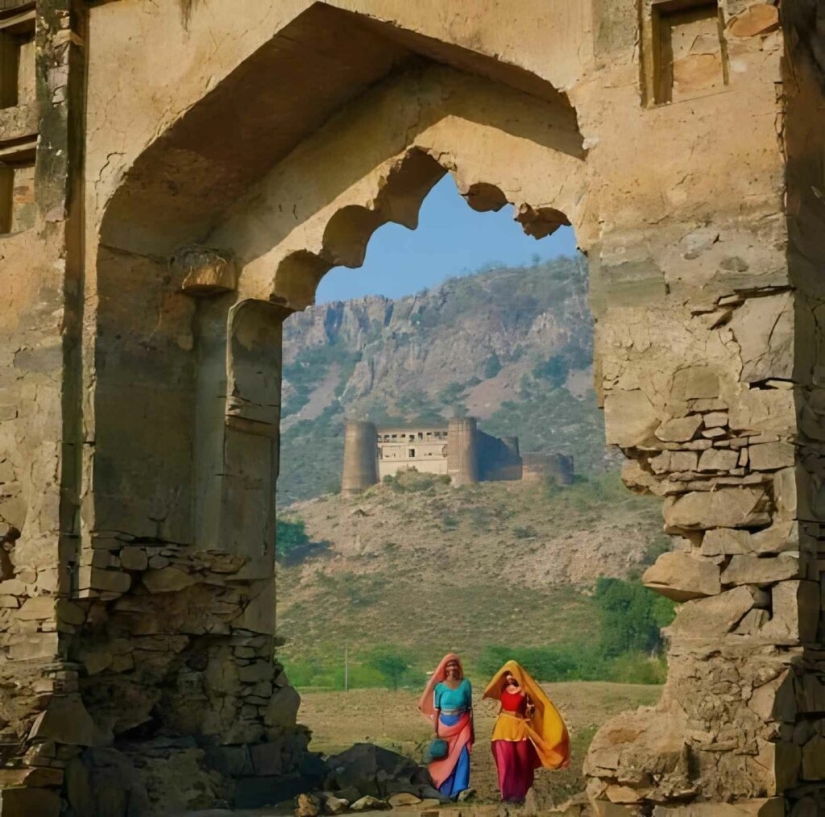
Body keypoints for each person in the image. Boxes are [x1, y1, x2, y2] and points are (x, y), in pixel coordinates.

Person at [483, 660, 569, 804]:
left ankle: (523, 794)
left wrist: (533, 713)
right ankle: (507, 795)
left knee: (523, 763)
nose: (509, 677)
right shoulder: (502, 688)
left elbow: (541, 704)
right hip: (503, 729)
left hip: (521, 729)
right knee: (506, 763)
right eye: (507, 674)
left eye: (512, 673)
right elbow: (492, 685)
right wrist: (506, 670)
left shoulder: (525, 690)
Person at [418, 653, 474, 799]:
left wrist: (472, 730)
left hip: (463, 723)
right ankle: (444, 789)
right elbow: (437, 711)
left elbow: (469, 708)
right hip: (444, 725)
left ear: (459, 667)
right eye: (449, 665)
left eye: (455, 664)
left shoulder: (466, 684)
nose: (452, 668)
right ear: (444, 668)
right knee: (445, 758)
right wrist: (435, 731)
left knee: (463, 756)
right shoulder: (440, 687)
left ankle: (460, 789)